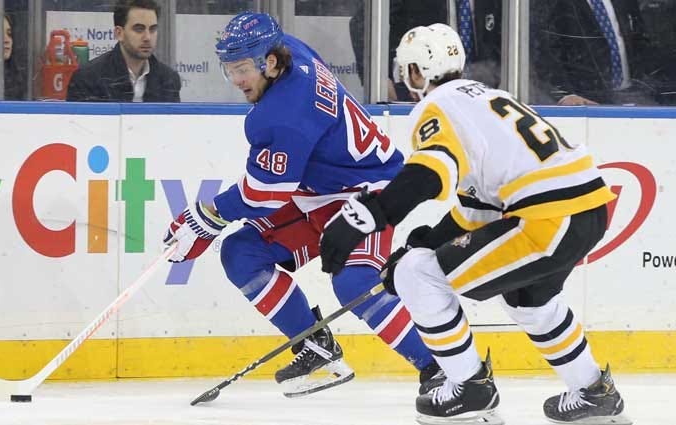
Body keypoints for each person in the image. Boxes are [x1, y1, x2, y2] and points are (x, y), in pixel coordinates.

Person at [320, 23, 630, 424]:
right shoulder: (488, 97)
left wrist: (368, 218)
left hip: (546, 218)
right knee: (529, 299)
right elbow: (478, 208)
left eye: (406, 70)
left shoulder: (436, 107)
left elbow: (428, 174)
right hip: (587, 210)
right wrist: (428, 242)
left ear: (417, 72)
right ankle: (592, 393)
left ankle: (469, 389)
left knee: (417, 275)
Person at [161, 11, 442, 397]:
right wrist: (211, 220)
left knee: (354, 281)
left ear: (270, 62)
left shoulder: (285, 112)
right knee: (242, 252)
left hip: (367, 188)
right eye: (230, 69)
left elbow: (264, 194)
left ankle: (441, 368)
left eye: (243, 68)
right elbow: (275, 185)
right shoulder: (289, 51)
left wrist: (208, 216)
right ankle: (315, 345)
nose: (237, 80)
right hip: (315, 191)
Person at [530, 0, 676, 105]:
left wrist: (652, 87)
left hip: (635, 94)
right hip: (585, 101)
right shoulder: (553, 4)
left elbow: (640, 44)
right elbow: (542, 52)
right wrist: (565, 95)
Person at [350, 0, 501, 102]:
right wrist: (381, 80)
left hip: (478, 96)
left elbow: (502, 43)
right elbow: (362, 22)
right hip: (417, 94)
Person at [66, 0, 180, 102]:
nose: (147, 37)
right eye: (139, 29)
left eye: (153, 29)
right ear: (119, 33)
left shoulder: (169, 80)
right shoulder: (88, 79)